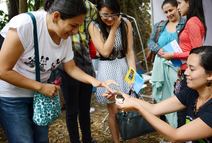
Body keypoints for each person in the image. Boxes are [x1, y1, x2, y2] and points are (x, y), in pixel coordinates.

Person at [0, 0, 113, 142]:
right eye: (73, 25)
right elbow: (2, 70)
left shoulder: (64, 37)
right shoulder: (26, 25)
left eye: (79, 26)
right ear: (56, 16)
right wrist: (41, 87)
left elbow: (70, 68)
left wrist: (96, 82)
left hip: (39, 97)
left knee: (42, 139)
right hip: (12, 96)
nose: (76, 31)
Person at [113, 46, 212, 142]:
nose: (186, 72)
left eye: (192, 69)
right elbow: (154, 109)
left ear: (210, 75)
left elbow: (175, 135)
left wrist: (138, 107)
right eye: (187, 67)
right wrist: (127, 98)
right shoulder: (192, 92)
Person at [88, 0, 136, 142]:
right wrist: (114, 28)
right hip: (107, 69)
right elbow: (105, 51)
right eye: (105, 15)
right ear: (98, 13)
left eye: (113, 14)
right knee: (113, 109)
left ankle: (132, 137)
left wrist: (132, 72)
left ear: (118, 12)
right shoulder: (94, 25)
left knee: (127, 105)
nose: (109, 18)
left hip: (123, 66)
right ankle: (117, 140)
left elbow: (129, 51)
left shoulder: (126, 23)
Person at [55, 0, 97, 142]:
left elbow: (95, 18)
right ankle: (75, 140)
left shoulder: (89, 7)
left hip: (84, 60)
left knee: (85, 108)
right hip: (66, 64)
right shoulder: (59, 5)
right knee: (72, 109)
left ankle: (87, 139)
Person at [159, 0, 206, 127]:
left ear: (189, 2)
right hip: (185, 70)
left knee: (183, 114)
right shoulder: (193, 20)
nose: (178, 7)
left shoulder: (192, 22)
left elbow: (196, 53)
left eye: (179, 3)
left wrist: (173, 55)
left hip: (190, 76)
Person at [147, 0, 185, 127]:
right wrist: (158, 49)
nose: (168, 14)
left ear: (177, 8)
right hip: (160, 66)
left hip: (177, 66)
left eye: (171, 10)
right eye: (166, 12)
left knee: (177, 98)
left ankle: (180, 129)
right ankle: (169, 128)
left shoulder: (185, 23)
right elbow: (150, 42)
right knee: (163, 98)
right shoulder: (159, 26)